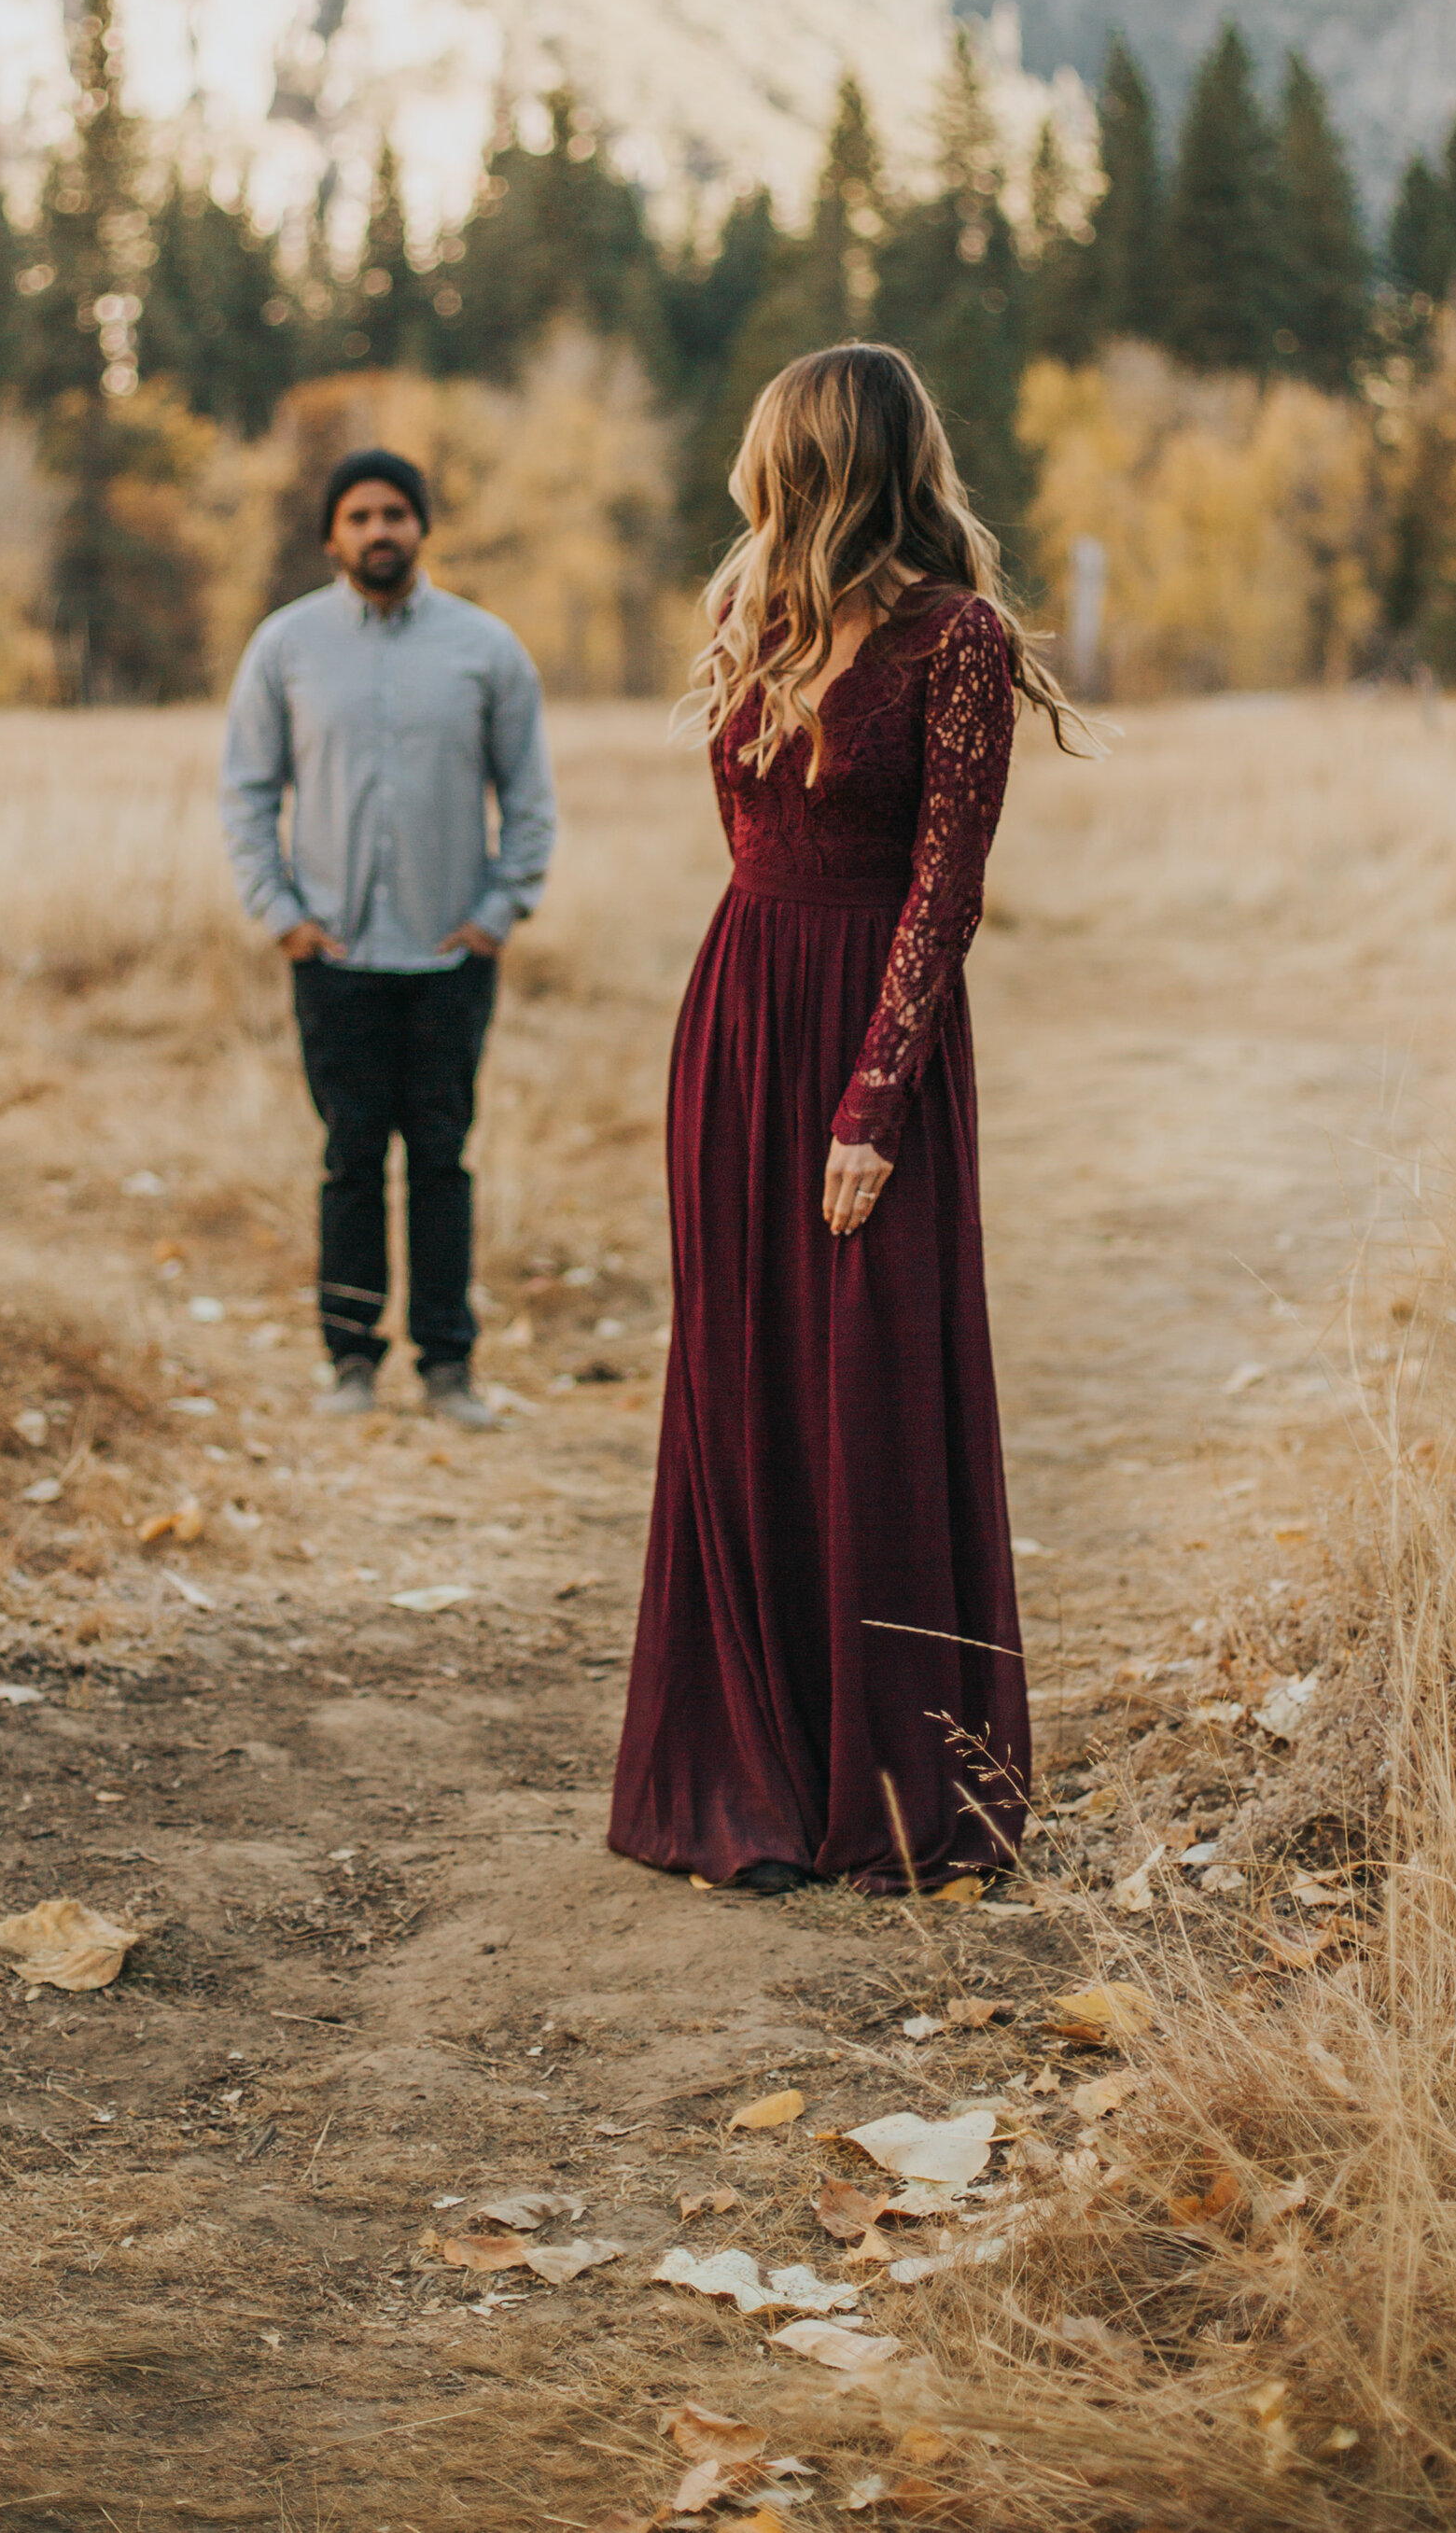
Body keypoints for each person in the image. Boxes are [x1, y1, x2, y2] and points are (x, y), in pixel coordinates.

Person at [609, 343, 1078, 1896]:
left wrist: (876, 1099)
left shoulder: (961, 640)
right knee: (742, 1384)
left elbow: (946, 891)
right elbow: (751, 843)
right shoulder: (749, 616)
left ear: (819, 459)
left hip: (875, 1038)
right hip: (741, 1015)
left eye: (771, 451)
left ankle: (889, 1787)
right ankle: (746, 1769)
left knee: (872, 1385)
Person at [220, 447, 555, 1427]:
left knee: (442, 1160)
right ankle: (351, 1361)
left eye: (394, 514)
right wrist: (281, 918)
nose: (378, 531)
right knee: (351, 1158)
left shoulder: (485, 649)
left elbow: (529, 798)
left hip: (450, 960)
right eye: (359, 516)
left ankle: (448, 1368)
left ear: (421, 529)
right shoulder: (284, 648)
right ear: (332, 536)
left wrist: (496, 918)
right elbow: (245, 793)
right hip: (335, 960)